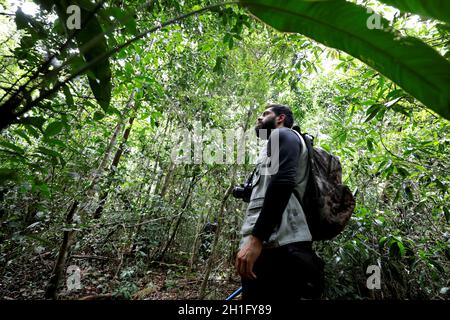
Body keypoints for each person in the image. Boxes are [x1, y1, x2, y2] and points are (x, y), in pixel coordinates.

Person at [235, 104, 324, 301]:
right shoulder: (273, 146)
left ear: (280, 118)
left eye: (265, 114)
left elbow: (283, 183)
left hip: (278, 247)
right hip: (277, 247)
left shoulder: (283, 135)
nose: (259, 118)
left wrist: (256, 239)